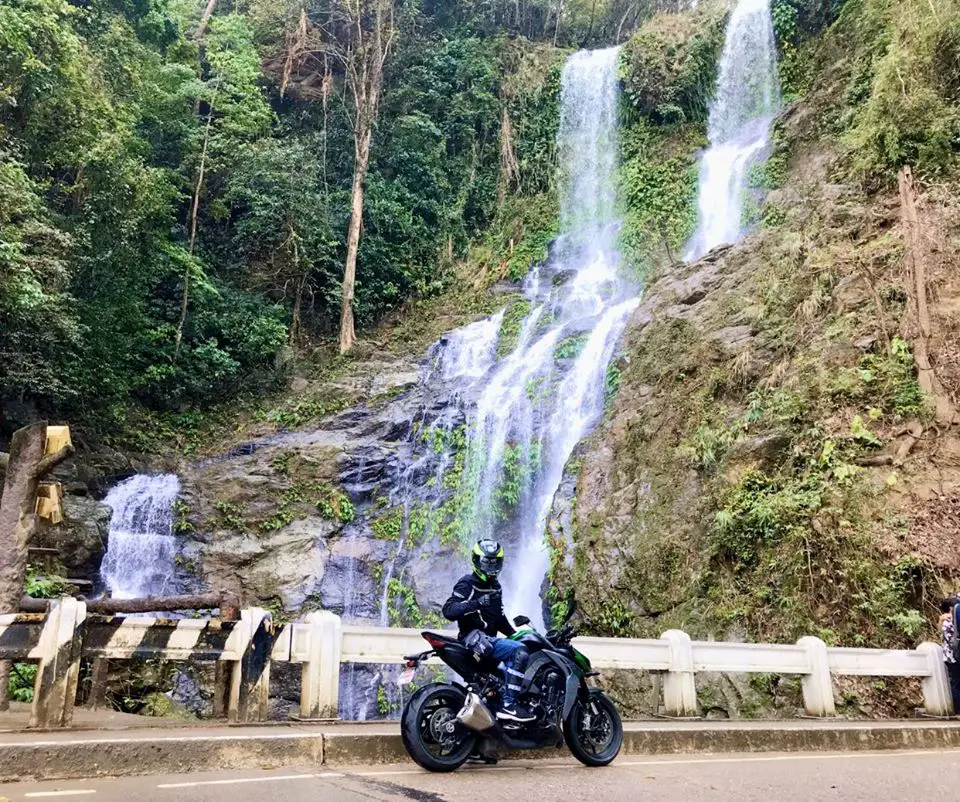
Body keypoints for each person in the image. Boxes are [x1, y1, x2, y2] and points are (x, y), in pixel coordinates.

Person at [442, 539, 535, 723]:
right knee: (520, 652)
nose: (491, 566)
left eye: (495, 562)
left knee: (519, 649)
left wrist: (514, 635)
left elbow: (498, 618)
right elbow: (449, 610)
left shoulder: (496, 587)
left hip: (489, 642)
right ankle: (510, 706)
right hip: (473, 640)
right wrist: (476, 603)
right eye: (487, 561)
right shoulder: (467, 583)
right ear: (477, 561)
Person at [940, 596, 960, 715]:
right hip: (953, 657)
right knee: (956, 683)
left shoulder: (946, 621)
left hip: (951, 656)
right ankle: (957, 709)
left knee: (956, 682)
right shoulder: (949, 622)